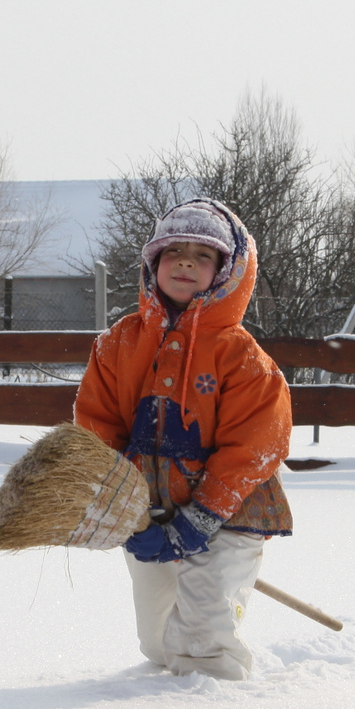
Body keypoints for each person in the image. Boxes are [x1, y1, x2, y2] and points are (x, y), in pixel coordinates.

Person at [75, 199, 293, 681]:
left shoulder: (243, 358)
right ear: (154, 263)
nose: (187, 261)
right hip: (150, 510)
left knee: (200, 637)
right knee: (158, 640)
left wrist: (200, 520)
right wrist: (117, 505)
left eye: (204, 254)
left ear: (227, 272)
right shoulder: (118, 345)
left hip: (229, 508)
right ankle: (177, 669)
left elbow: (256, 444)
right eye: (174, 250)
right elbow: (97, 430)